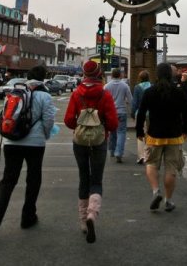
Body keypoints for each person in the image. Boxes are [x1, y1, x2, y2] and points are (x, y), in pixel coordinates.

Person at [0, 65, 55, 238]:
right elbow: (49, 120)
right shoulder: (45, 95)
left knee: (8, 180)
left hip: (11, 142)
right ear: (43, 77)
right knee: (33, 178)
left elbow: (4, 116)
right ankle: (28, 216)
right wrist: (44, 135)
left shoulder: (15, 93)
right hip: (35, 144)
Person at [64, 60, 118, 243]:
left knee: (83, 177)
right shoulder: (105, 94)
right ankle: (92, 215)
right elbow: (112, 123)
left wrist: (81, 122)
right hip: (99, 140)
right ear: (99, 73)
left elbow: (69, 120)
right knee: (96, 179)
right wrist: (102, 126)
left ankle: (82, 221)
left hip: (79, 141)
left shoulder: (76, 93)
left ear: (84, 74)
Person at [136, 62, 187, 212]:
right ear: (171, 74)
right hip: (174, 134)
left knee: (151, 163)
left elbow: (141, 113)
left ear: (157, 74)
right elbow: (186, 113)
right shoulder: (178, 92)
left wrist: (139, 132)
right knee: (171, 168)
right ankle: (168, 200)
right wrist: (186, 130)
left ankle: (156, 191)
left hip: (155, 134)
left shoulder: (150, 92)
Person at [104, 69, 132, 163]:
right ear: (120, 75)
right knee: (121, 132)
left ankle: (112, 150)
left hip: (111, 112)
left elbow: (103, 100)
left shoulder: (107, 86)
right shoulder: (125, 86)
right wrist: (132, 111)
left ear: (112, 75)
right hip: (122, 111)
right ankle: (119, 153)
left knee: (112, 132)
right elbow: (130, 99)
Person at [131, 70, 152, 164]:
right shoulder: (152, 86)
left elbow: (134, 102)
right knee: (150, 134)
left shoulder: (137, 87)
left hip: (140, 113)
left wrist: (132, 113)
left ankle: (141, 157)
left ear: (140, 78)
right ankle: (149, 155)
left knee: (140, 135)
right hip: (151, 113)